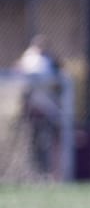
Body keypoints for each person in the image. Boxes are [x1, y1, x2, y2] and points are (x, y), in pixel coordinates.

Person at [16, 35, 62, 177]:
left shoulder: (50, 61)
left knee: (47, 142)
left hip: (47, 110)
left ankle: (49, 172)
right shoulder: (28, 60)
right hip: (33, 110)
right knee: (33, 143)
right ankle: (34, 172)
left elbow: (58, 83)